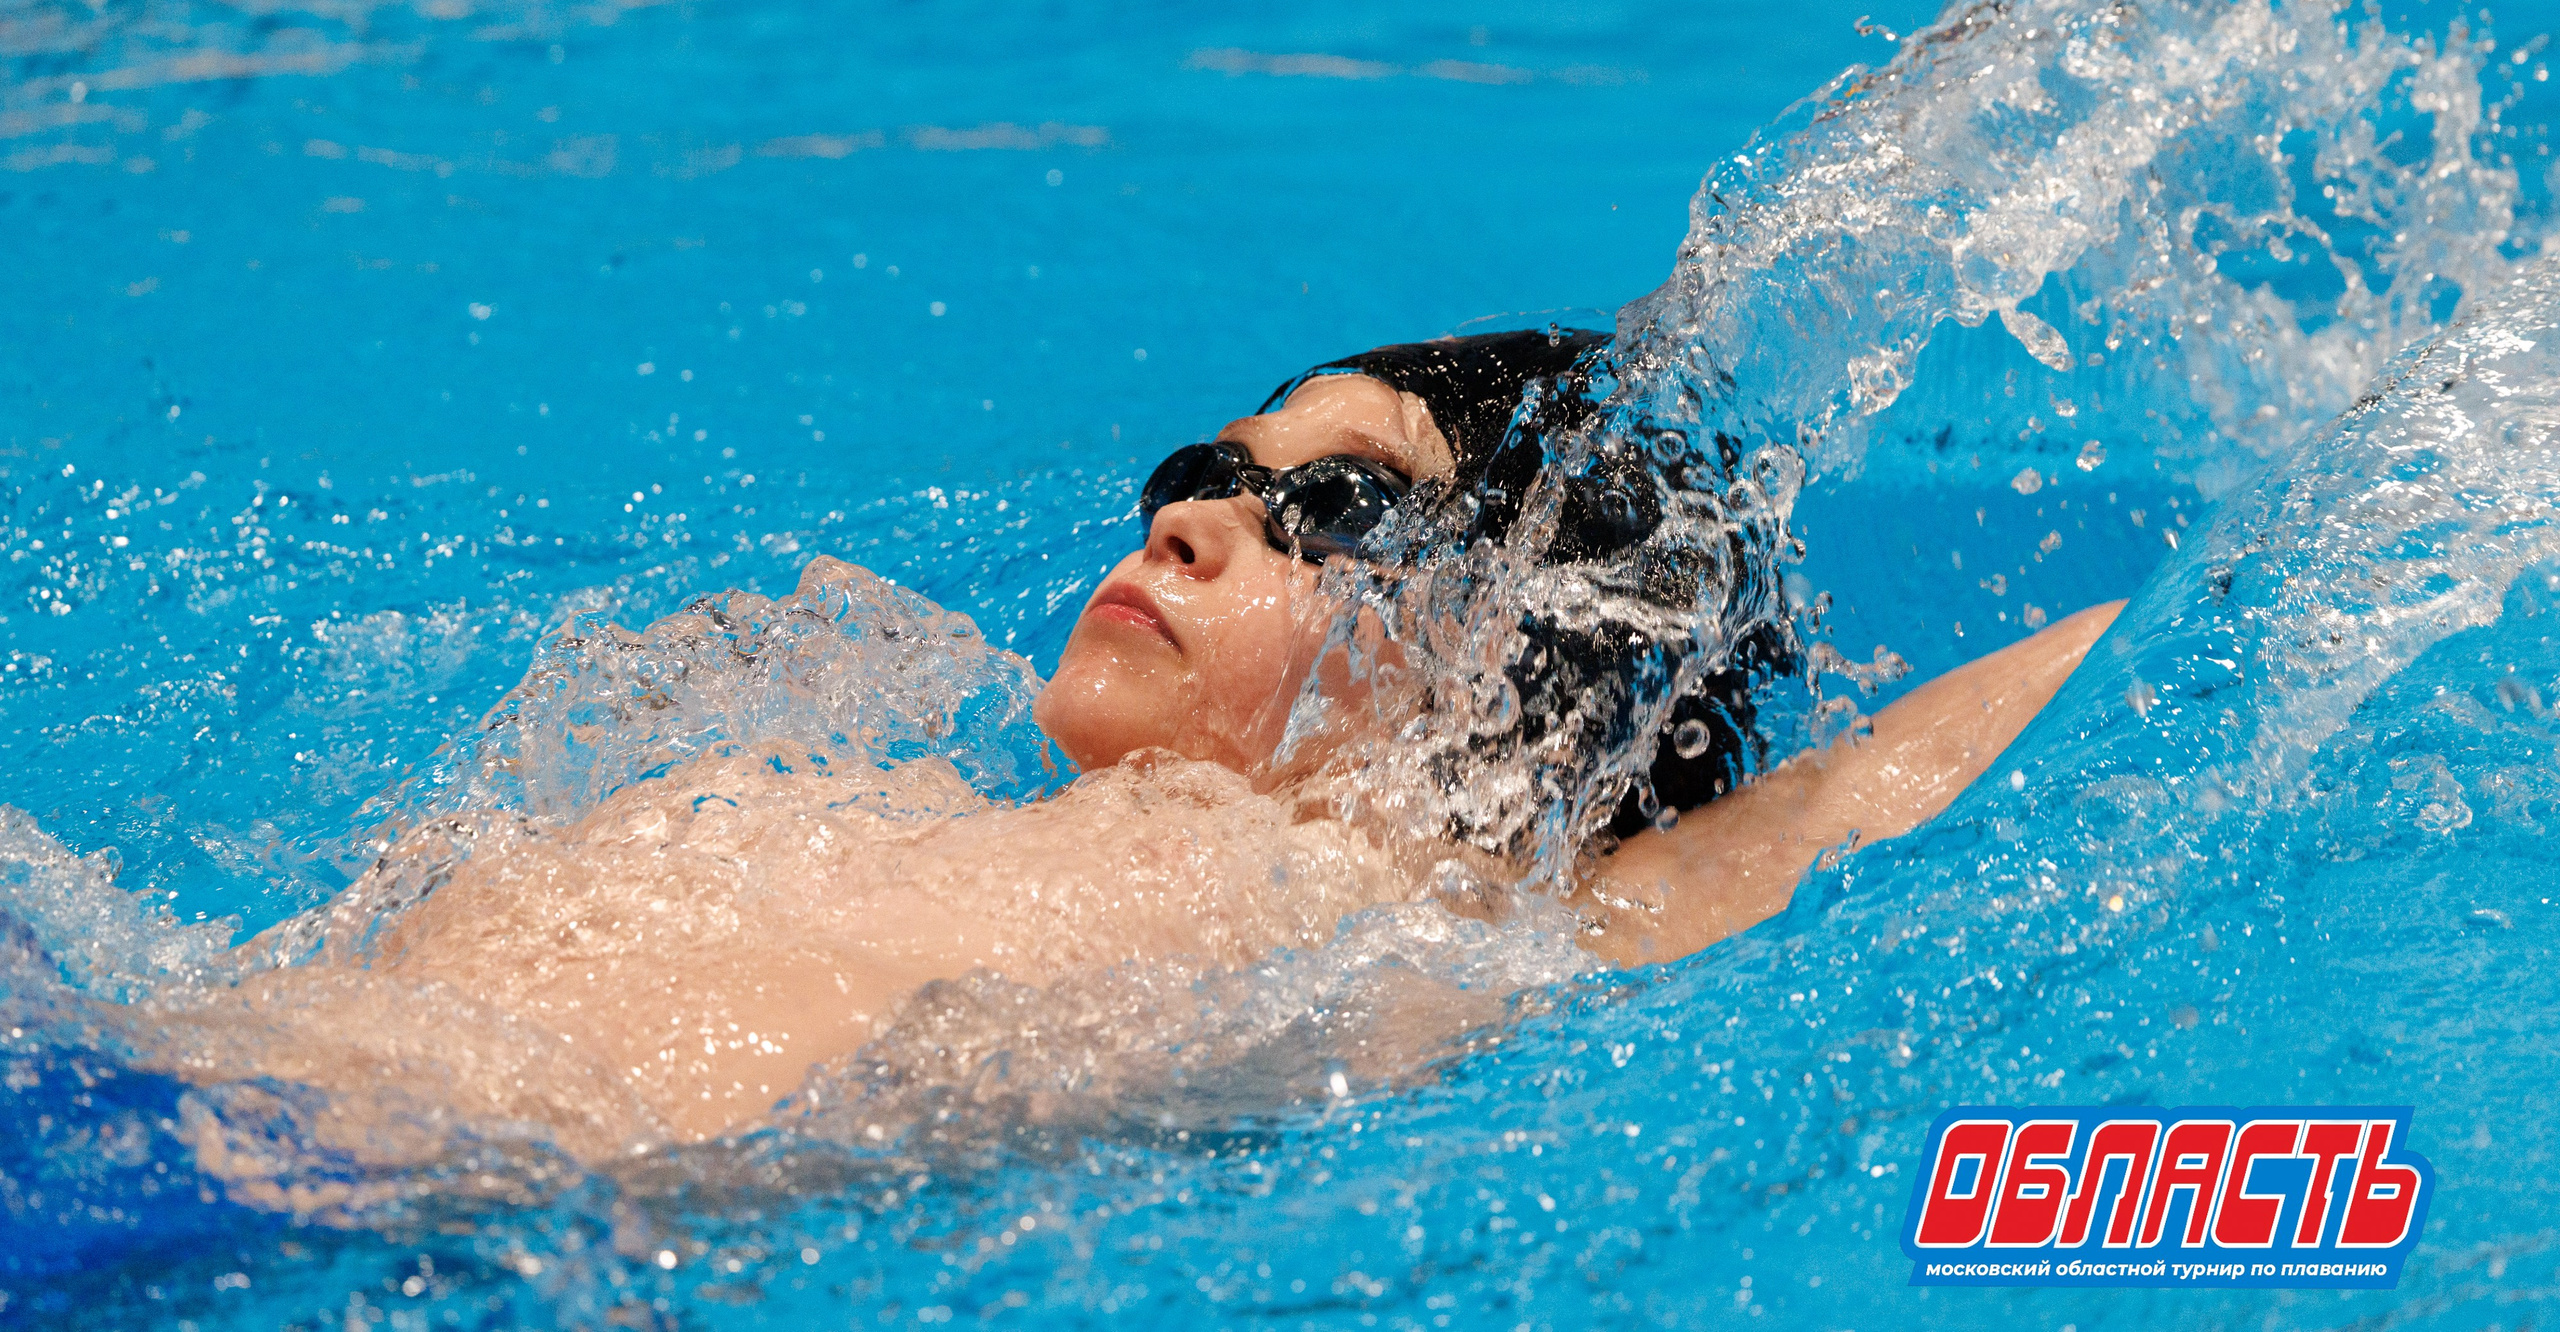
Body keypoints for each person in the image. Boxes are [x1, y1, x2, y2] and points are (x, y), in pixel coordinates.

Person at [136, 330, 2119, 1162]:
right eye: (1209, 472)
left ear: (1515, 691)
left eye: (1328, 512)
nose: (1185, 521)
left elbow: (1881, 779)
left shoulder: (1439, 915)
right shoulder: (921, 785)